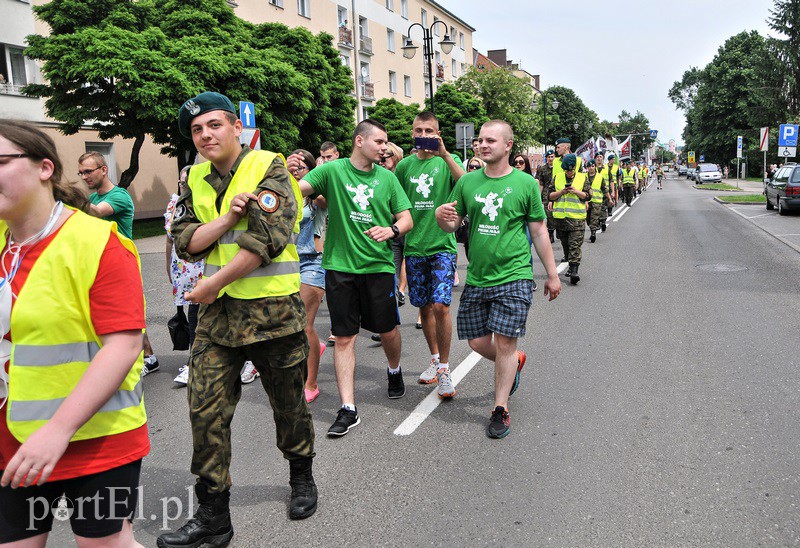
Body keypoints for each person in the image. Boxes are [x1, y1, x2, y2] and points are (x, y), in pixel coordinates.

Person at [160, 92, 318, 548]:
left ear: (235, 126)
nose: (206, 135)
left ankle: (302, 477)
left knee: (288, 408)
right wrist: (229, 219)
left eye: (214, 125)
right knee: (204, 412)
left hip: (272, 315)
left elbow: (267, 238)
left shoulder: (270, 166)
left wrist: (211, 283)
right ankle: (213, 517)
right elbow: (185, 237)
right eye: (196, 130)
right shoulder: (194, 178)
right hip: (217, 320)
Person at [0, 120, 148, 546]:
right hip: (11, 439)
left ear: (44, 168)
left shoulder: (98, 241)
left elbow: (123, 346)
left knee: (105, 544)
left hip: (95, 438)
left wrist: (58, 429)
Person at [435, 120, 561, 439]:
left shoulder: (525, 184)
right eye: (479, 140)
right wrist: (442, 218)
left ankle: (500, 408)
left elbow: (539, 231)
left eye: (490, 140)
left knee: (504, 342)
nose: (483, 144)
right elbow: (454, 224)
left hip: (515, 274)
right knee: (478, 341)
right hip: (477, 276)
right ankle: (514, 362)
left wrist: (550, 274)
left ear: (508, 145)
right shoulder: (467, 183)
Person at [290, 119, 413, 437]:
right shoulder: (332, 171)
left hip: (378, 267)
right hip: (340, 268)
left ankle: (394, 369)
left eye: (386, 143)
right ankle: (348, 408)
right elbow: (299, 188)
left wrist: (392, 229)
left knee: (387, 331)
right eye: (380, 141)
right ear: (360, 141)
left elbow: (406, 217)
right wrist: (269, 185)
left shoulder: (387, 178)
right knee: (344, 338)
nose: (385, 147)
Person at [395, 112, 464, 398]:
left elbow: (468, 183)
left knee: (441, 306)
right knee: (423, 308)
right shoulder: (404, 166)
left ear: (438, 133)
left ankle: (445, 369)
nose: (423, 134)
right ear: (412, 132)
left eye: (429, 130)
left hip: (442, 245)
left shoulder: (448, 161)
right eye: (419, 129)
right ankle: (435, 361)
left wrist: (446, 154)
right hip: (415, 247)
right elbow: (394, 200)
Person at [78, 152, 160, 375]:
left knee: (130, 313)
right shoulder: (93, 197)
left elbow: (96, 213)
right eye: (81, 173)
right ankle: (145, 356)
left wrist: (69, 197)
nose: (84, 177)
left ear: (103, 170)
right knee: (110, 312)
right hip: (100, 262)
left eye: (88, 171)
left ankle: (146, 358)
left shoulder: (119, 195)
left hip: (123, 261)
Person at [290, 149, 328, 403]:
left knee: (304, 324)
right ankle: (316, 345)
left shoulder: (317, 198)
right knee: (291, 324)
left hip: (313, 262)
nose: (295, 174)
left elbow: (325, 198)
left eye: (300, 169)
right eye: (293, 170)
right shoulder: (285, 195)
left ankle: (311, 383)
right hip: (287, 263)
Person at [166, 166, 204, 386]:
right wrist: (168, 268)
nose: (183, 186)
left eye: (187, 183)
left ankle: (194, 364)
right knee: (190, 316)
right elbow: (169, 239)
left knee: (197, 316)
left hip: (199, 267)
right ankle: (196, 361)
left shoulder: (203, 203)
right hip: (180, 269)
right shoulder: (174, 203)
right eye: (181, 183)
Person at [547, 154, 592, 285]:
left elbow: (588, 196)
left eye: (571, 170)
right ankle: (570, 264)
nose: (569, 172)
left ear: (575, 168)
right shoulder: (557, 178)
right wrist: (561, 192)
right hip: (561, 220)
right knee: (566, 246)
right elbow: (549, 195)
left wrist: (576, 191)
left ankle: (574, 272)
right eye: (567, 170)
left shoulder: (582, 177)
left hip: (577, 220)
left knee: (574, 245)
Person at [585, 159, 610, 243]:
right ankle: (592, 228)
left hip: (597, 201)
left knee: (594, 218)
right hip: (586, 202)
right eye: (589, 166)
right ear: (587, 168)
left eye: (592, 166)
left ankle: (593, 233)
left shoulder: (600, 177)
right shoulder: (584, 177)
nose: (591, 168)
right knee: (588, 219)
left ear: (595, 167)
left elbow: (604, 189)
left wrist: (609, 198)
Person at [535, 149, 556, 242]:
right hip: (547, 194)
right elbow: (541, 183)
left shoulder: (559, 168)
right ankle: (551, 232)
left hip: (558, 192)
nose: (551, 159)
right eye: (549, 157)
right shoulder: (543, 169)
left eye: (552, 157)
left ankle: (559, 231)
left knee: (558, 214)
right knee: (549, 214)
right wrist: (538, 196)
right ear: (546, 158)